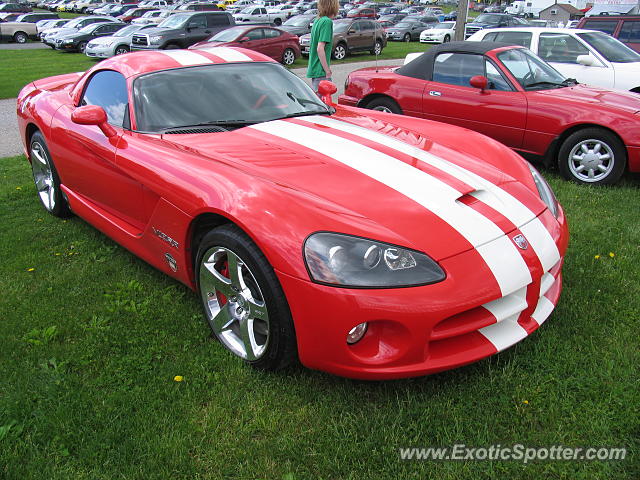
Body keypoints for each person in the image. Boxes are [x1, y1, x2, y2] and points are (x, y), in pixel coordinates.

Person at [307, 0, 339, 93]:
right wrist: (327, 70)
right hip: (320, 71)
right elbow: (320, 48)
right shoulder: (327, 22)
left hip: (314, 70)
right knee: (325, 105)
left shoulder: (317, 21)